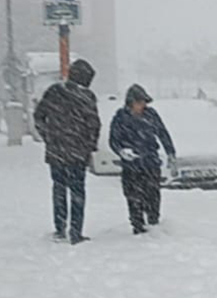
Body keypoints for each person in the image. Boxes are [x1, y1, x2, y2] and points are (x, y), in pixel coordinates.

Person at [32, 58, 100, 245]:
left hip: (56, 151)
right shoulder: (87, 97)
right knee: (77, 191)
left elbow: (38, 116)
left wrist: (48, 136)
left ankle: (60, 228)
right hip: (78, 153)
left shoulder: (54, 91)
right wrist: (89, 146)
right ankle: (76, 231)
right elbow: (94, 125)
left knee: (59, 189)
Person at [109, 84, 177, 235]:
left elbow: (162, 134)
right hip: (131, 165)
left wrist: (171, 153)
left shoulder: (151, 115)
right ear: (131, 102)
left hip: (150, 162)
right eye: (139, 102)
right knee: (133, 197)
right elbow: (113, 140)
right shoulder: (120, 118)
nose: (143, 105)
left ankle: (153, 222)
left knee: (153, 194)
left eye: (144, 102)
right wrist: (121, 151)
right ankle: (137, 225)